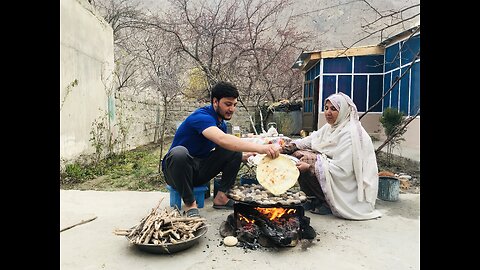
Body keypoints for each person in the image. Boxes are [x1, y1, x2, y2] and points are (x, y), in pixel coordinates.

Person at [161, 81, 281, 217]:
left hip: (198, 171)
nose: (232, 109)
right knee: (179, 153)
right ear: (215, 102)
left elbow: (223, 150)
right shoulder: (201, 117)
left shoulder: (221, 124)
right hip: (176, 172)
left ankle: (221, 198)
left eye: (234, 105)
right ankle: (190, 206)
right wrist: (262, 148)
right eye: (228, 104)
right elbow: (222, 139)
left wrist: (239, 156)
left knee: (234, 150)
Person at [281, 92, 381, 220]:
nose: (328, 112)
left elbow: (343, 170)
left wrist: (311, 167)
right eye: (326, 108)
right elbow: (311, 140)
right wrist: (290, 146)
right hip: (334, 167)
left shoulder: (350, 133)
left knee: (307, 161)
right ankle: (313, 198)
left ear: (344, 111)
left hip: (349, 182)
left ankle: (327, 203)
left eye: (333, 109)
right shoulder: (331, 127)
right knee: (297, 154)